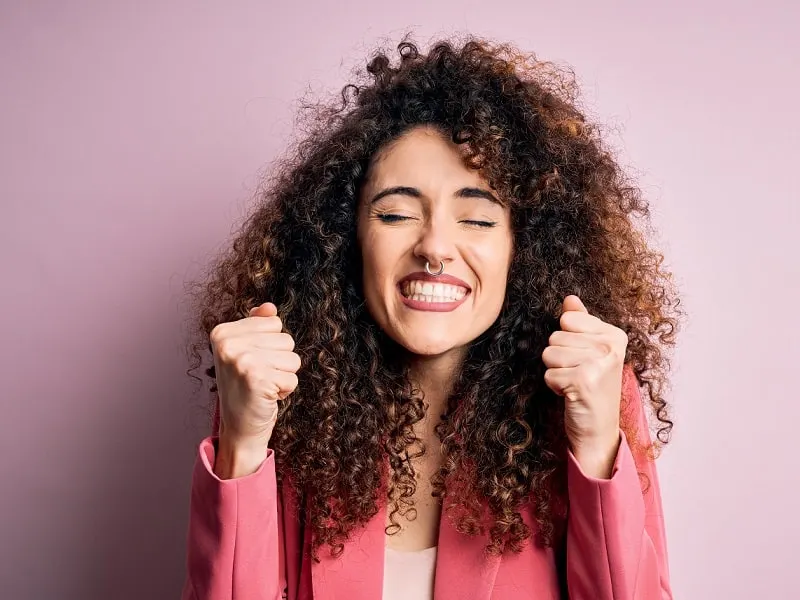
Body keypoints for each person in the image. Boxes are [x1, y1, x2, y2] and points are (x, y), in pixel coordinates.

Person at [180, 35, 682, 600]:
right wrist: (244, 446)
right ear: (347, 238)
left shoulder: (594, 395)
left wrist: (594, 447)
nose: (435, 247)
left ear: (527, 249)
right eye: (396, 213)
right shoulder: (281, 399)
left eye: (478, 220)